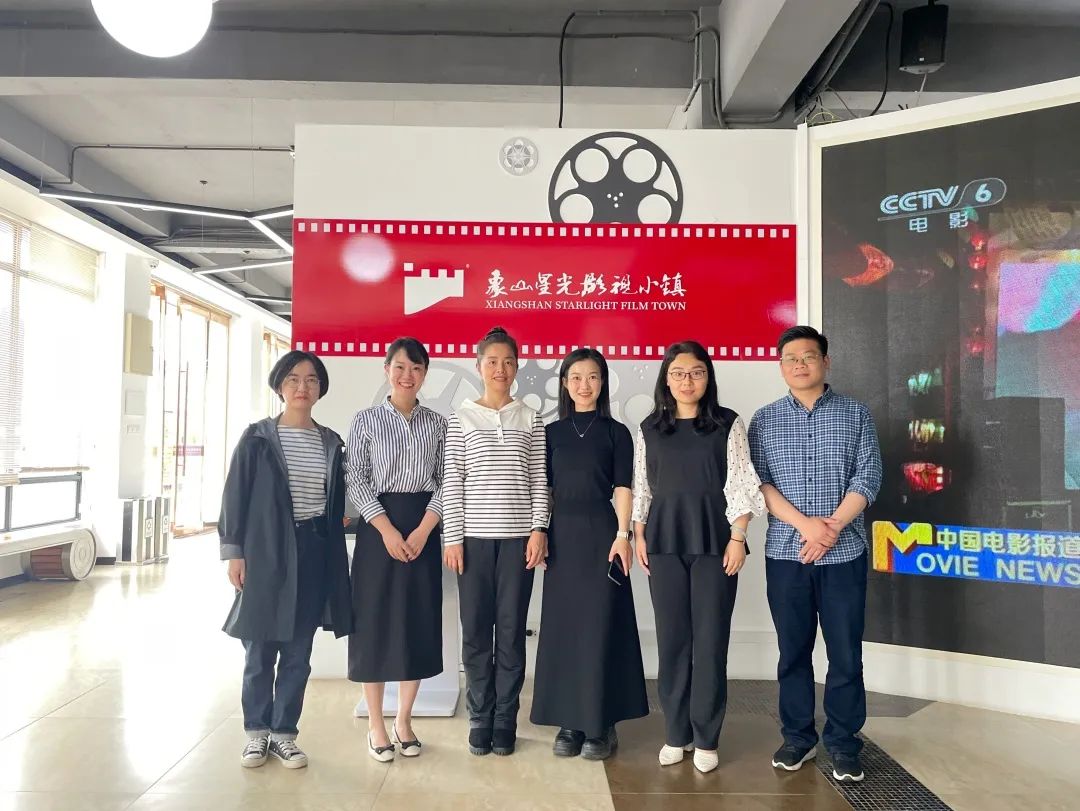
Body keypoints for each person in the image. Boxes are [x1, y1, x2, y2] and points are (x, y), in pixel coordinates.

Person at [747, 325, 882, 784]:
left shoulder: (855, 413)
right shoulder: (764, 420)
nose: (799, 364)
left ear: (826, 361)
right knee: (793, 652)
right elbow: (760, 484)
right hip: (786, 555)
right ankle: (798, 738)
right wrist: (807, 526)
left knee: (845, 653)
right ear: (780, 366)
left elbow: (868, 477)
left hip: (844, 556)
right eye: (791, 358)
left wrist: (832, 528)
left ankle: (843, 743)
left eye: (808, 356)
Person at [632, 340, 764, 773]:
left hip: (716, 544)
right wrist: (638, 534)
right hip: (663, 544)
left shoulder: (727, 423)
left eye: (696, 372)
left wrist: (738, 537)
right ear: (666, 379)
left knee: (709, 642)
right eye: (678, 373)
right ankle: (676, 733)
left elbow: (742, 483)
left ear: (708, 377)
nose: (687, 381)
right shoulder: (650, 427)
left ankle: (706, 737)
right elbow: (642, 486)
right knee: (673, 642)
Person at [219, 350, 353, 770]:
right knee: (259, 647)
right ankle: (256, 733)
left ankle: (284, 735)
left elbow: (337, 500)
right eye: (293, 379)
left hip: (313, 550)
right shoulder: (257, 438)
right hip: (265, 551)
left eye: (311, 380)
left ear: (320, 389)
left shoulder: (331, 441)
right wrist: (234, 552)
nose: (302, 387)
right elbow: (235, 496)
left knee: (298, 650)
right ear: (280, 386)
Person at [530, 348, 649, 760]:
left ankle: (601, 724)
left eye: (593, 377)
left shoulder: (617, 433)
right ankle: (570, 721)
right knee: (565, 628)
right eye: (576, 377)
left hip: (603, 535)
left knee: (602, 626)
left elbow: (624, 487)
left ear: (603, 383)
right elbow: (544, 489)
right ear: (565, 383)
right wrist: (541, 531)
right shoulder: (551, 433)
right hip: (562, 537)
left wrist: (622, 535)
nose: (585, 385)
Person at [442, 326, 549, 757]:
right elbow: (453, 480)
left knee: (510, 632)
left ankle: (505, 719)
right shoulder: (461, 417)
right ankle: (479, 717)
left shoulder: (531, 417)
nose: (500, 369)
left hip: (518, 542)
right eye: (492, 361)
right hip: (473, 542)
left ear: (517, 366)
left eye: (508, 361)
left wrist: (539, 529)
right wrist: (452, 538)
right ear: (478, 366)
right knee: (475, 633)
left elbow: (539, 478)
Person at [345, 337, 447, 762]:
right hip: (377, 530)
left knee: (415, 623)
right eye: (401, 367)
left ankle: (404, 721)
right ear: (387, 369)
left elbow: (447, 480)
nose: (408, 375)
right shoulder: (366, 420)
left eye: (417, 368)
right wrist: (386, 530)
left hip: (424, 527)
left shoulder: (438, 423)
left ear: (425, 374)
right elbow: (356, 477)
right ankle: (376, 724)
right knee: (373, 623)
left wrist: (423, 530)